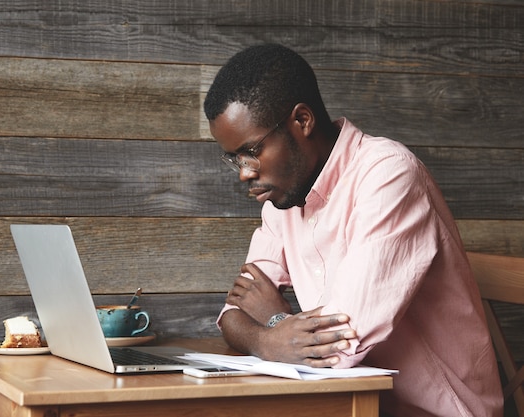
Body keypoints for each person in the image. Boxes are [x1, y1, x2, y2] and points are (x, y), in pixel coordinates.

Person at [203, 43, 503, 417]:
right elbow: (233, 314)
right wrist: (271, 339)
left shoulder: (388, 174)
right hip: (344, 405)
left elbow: (339, 345)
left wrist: (276, 319)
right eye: (235, 159)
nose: (245, 172)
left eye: (252, 150)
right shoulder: (282, 200)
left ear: (302, 121)